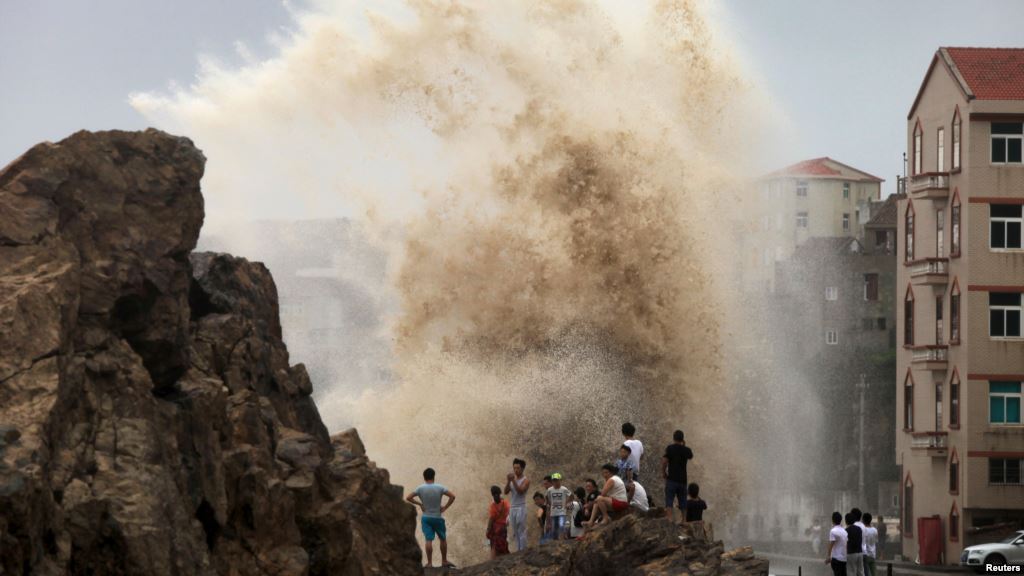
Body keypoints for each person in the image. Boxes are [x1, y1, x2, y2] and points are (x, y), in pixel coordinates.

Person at [406, 468, 456, 569]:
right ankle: (444, 561)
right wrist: (445, 507)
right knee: (442, 539)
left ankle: (429, 563)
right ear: (434, 476)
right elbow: (452, 497)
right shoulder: (440, 487)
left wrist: (420, 504)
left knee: (428, 540)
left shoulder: (420, 488)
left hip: (426, 518)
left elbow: (408, 497)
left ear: (424, 477)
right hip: (437, 517)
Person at [662, 429, 694, 521]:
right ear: (682, 439)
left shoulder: (670, 448)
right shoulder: (686, 450)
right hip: (683, 480)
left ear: (673, 438)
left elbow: (664, 461)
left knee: (669, 500)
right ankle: (684, 521)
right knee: (683, 502)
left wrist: (663, 472)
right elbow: (690, 456)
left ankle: (670, 519)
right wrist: (684, 445)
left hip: (672, 479)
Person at [504, 458, 530, 552]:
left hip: (521, 506)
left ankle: (523, 550)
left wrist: (513, 481)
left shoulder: (526, 480)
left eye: (518, 468)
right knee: (515, 530)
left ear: (522, 469)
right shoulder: (511, 480)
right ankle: (518, 550)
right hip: (513, 507)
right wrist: (508, 481)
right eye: (514, 468)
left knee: (521, 529)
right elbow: (506, 491)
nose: (516, 470)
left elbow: (520, 491)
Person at [545, 473, 572, 541]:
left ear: (560, 480)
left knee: (561, 526)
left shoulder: (564, 489)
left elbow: (571, 495)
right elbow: (546, 497)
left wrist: (566, 503)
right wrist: (549, 503)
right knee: (554, 528)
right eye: (554, 480)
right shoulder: (550, 490)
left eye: (557, 480)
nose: (555, 482)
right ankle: (555, 543)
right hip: (553, 512)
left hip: (562, 512)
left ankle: (562, 541)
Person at [486, 485, 511, 558]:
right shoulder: (505, 503)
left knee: (494, 545)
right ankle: (505, 558)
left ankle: (494, 560)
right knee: (503, 544)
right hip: (503, 528)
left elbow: (491, 519)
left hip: (495, 529)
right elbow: (509, 513)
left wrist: (488, 529)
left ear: (492, 495)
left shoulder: (493, 506)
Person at [825, 511, 847, 576]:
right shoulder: (844, 531)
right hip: (844, 559)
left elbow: (831, 544)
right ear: (840, 520)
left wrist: (828, 556)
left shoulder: (833, 531)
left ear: (832, 520)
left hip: (836, 559)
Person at [846, 511, 865, 576]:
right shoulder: (859, 529)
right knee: (861, 572)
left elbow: (845, 543)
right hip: (860, 552)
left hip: (851, 553)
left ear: (846, 521)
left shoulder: (846, 530)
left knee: (851, 572)